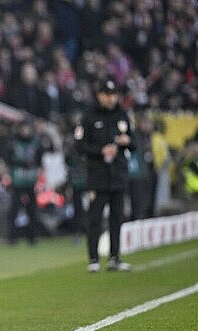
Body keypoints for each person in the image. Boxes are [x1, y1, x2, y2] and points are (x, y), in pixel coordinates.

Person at [75, 79, 136, 272]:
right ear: (99, 95)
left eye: (113, 95)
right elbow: (79, 146)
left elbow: (135, 143)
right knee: (95, 218)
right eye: (107, 95)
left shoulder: (122, 114)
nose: (111, 99)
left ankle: (114, 257)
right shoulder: (89, 116)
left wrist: (127, 141)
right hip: (97, 176)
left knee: (117, 218)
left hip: (118, 175)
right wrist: (101, 151)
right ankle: (93, 259)